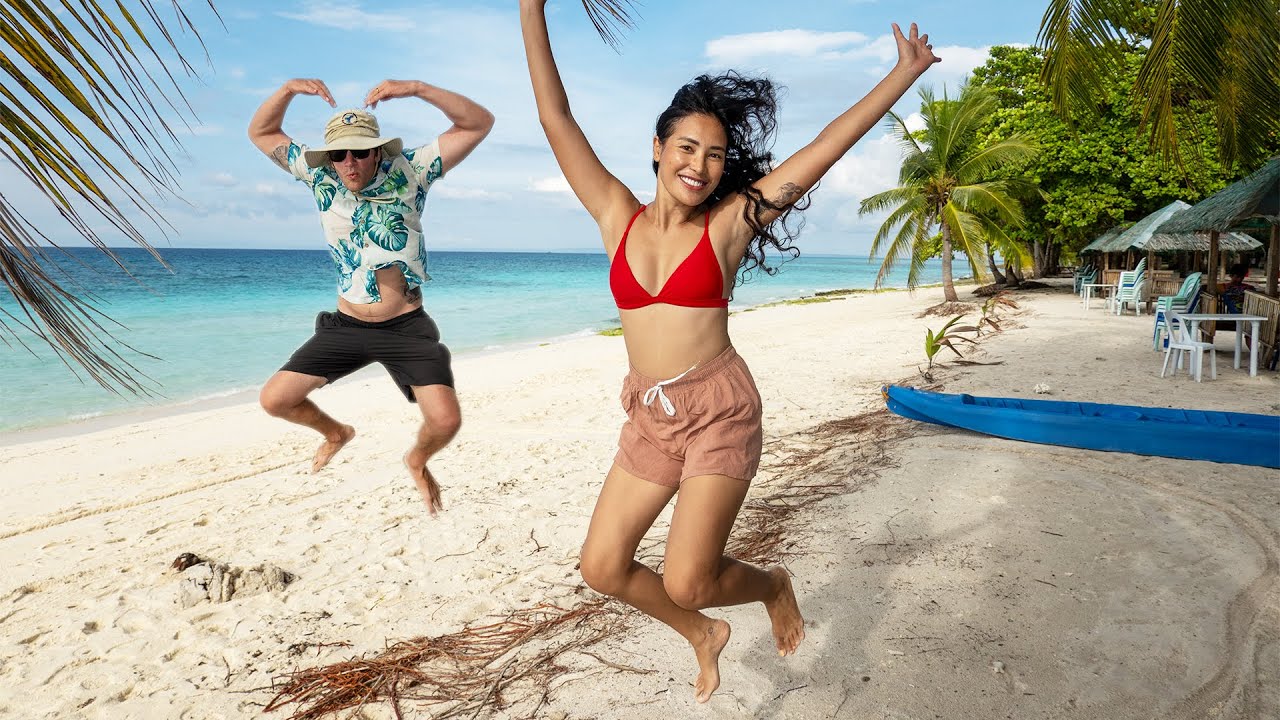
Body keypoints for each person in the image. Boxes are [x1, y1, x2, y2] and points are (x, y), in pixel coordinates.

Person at [519, 0, 939, 703]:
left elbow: (825, 148)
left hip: (718, 411)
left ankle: (772, 586)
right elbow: (554, 117)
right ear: (659, 147)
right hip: (651, 412)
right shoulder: (615, 214)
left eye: (715, 155)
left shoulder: (729, 225)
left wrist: (903, 74)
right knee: (602, 566)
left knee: (690, 579)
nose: (700, 165)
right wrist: (532, 9)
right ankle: (703, 633)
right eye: (687, 148)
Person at [248, 79, 494, 515]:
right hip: (347, 326)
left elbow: (477, 123)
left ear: (377, 151)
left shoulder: (412, 169)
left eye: (360, 152)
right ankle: (336, 433)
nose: (349, 162)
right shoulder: (318, 176)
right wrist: (287, 90)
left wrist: (416, 88)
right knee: (275, 400)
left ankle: (416, 460)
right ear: (329, 157)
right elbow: (262, 132)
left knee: (445, 421)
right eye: (339, 154)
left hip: (406, 328)